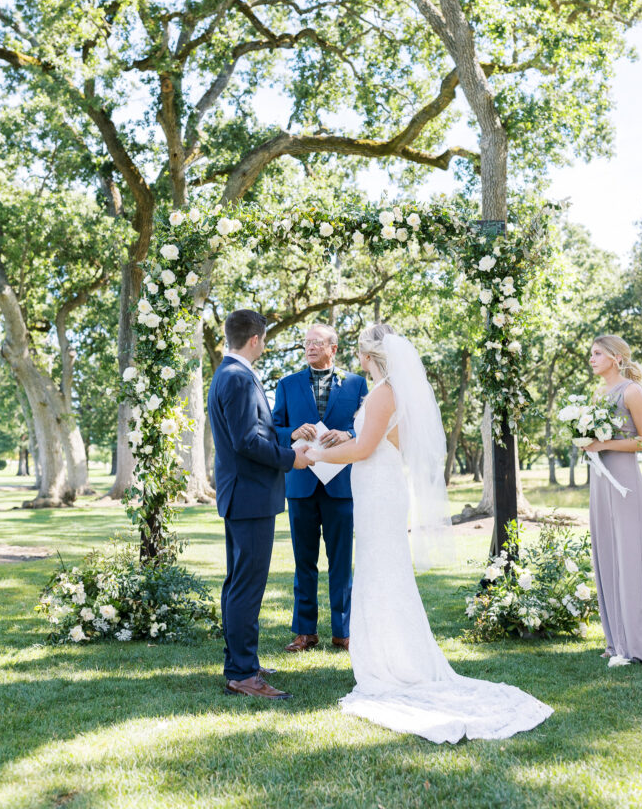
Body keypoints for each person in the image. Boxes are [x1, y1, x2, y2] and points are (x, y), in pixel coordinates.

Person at [303, 323, 553, 742]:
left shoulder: (383, 391)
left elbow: (366, 450)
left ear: (368, 356)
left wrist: (316, 453)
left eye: (360, 352)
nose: (358, 358)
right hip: (379, 490)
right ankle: (392, 651)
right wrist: (349, 436)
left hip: (380, 495)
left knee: (382, 572)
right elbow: (388, 440)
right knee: (382, 571)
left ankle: (391, 661)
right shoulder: (390, 391)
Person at [207, 309, 309, 700]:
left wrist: (286, 439)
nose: (264, 345)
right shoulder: (236, 377)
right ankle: (243, 673)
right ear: (254, 339)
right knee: (246, 586)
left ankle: (240, 661)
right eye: (263, 339)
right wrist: (291, 459)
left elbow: (253, 431)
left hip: (245, 496)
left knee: (239, 583)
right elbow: (246, 443)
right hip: (249, 497)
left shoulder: (229, 373)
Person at [272, 324, 367, 652]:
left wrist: (349, 435)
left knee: (342, 560)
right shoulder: (286, 384)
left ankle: (343, 632)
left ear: (334, 348)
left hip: (341, 484)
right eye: (306, 343)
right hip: (301, 485)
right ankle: (304, 632)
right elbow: (274, 428)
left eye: (317, 343)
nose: (310, 347)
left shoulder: (357, 384)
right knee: (304, 561)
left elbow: (367, 425)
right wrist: (292, 433)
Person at [586, 334, 642, 667]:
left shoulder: (632, 391)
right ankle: (615, 641)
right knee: (606, 554)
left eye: (597, 353)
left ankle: (637, 644)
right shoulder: (598, 394)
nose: (591, 359)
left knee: (630, 557)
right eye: (591, 354)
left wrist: (604, 445)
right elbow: (597, 438)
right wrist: (588, 441)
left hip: (624, 482)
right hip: (599, 482)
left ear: (615, 357)